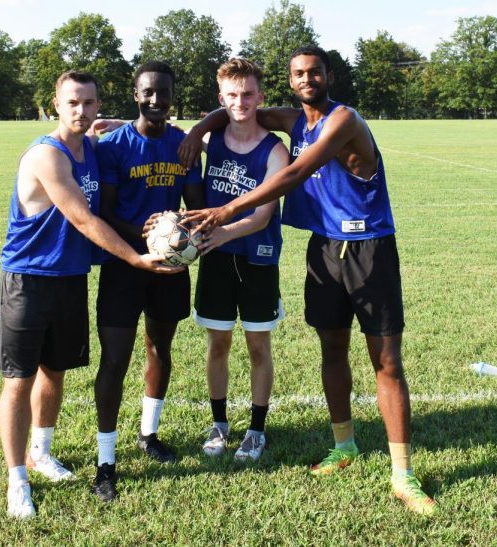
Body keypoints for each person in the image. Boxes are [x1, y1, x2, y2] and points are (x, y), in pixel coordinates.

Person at [177, 45, 437, 516]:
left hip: (369, 248)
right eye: (298, 73)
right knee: (331, 350)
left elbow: (297, 171)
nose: (306, 79)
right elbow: (233, 107)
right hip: (323, 249)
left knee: (386, 362)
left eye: (314, 72)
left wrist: (226, 210)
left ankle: (403, 474)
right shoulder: (294, 118)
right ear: (291, 79)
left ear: (328, 75)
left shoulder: (344, 120)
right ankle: (345, 444)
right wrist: (197, 129)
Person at [0, 71, 179, 518]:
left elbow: (128, 129)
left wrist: (115, 124)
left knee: (54, 371)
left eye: (90, 103)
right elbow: (83, 219)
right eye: (72, 103)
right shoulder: (48, 156)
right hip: (29, 279)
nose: (82, 111)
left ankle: (41, 451)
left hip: (71, 277)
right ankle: (17, 477)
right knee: (19, 381)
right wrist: (135, 259)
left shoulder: (93, 150)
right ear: (54, 105)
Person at [91, 61, 204, 502]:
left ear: (173, 96)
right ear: (135, 94)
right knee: (115, 360)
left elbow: (194, 203)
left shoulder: (185, 145)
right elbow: (106, 212)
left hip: (170, 269)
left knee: (161, 347)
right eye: (148, 93)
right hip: (125, 265)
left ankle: (149, 434)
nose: (156, 100)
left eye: (164, 93)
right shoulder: (113, 146)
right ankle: (106, 461)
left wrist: (178, 226)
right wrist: (145, 237)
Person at [192, 58, 290, 462]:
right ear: (221, 99)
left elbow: (262, 215)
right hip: (216, 261)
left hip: (256, 259)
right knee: (217, 343)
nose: (241, 101)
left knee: (257, 345)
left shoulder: (275, 150)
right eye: (232, 95)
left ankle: (256, 429)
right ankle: (219, 423)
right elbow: (165, 137)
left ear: (260, 96)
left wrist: (219, 232)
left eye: (248, 93)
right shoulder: (211, 140)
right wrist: (114, 127)